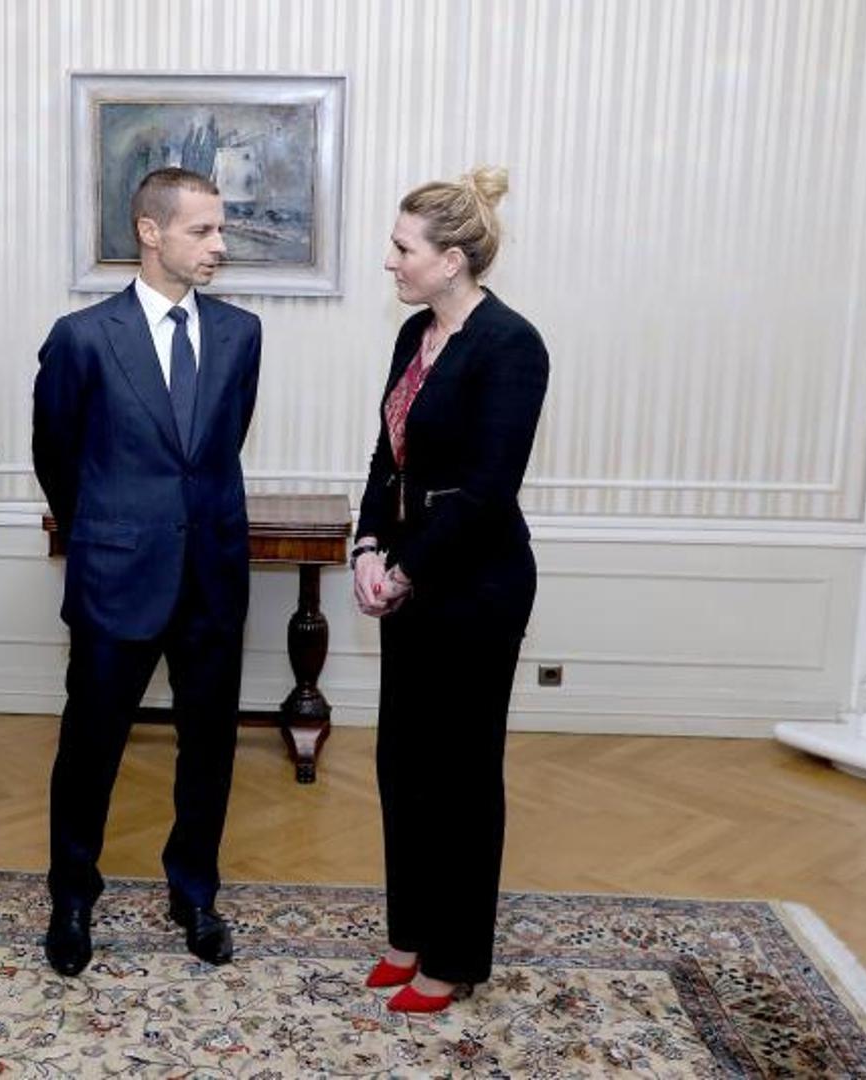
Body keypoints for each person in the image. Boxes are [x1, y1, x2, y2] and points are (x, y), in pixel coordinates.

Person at [32, 167, 262, 976]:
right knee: (89, 748)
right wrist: (107, 532)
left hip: (212, 576)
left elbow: (217, 448)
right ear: (150, 232)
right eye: (202, 230)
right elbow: (56, 457)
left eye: (220, 229)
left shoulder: (240, 334)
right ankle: (71, 897)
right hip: (115, 577)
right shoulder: (82, 338)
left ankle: (194, 894)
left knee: (209, 749)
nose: (218, 245)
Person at [350, 167, 548, 1013]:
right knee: (403, 763)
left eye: (403, 248)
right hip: (409, 573)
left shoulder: (511, 345)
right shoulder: (414, 333)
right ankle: (409, 933)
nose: (389, 261)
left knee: (460, 774)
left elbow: (485, 490)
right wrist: (366, 545)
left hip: (476, 586)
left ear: (452, 260)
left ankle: (454, 957)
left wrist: (404, 570)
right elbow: (386, 457)